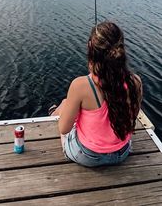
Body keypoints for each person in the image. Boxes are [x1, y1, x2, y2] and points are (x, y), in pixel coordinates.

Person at [50, 22, 142, 167]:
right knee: (69, 104)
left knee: (65, 106)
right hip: (122, 152)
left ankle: (55, 111)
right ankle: (61, 107)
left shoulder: (80, 85)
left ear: (90, 48)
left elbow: (64, 129)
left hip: (89, 156)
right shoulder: (135, 82)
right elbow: (132, 115)